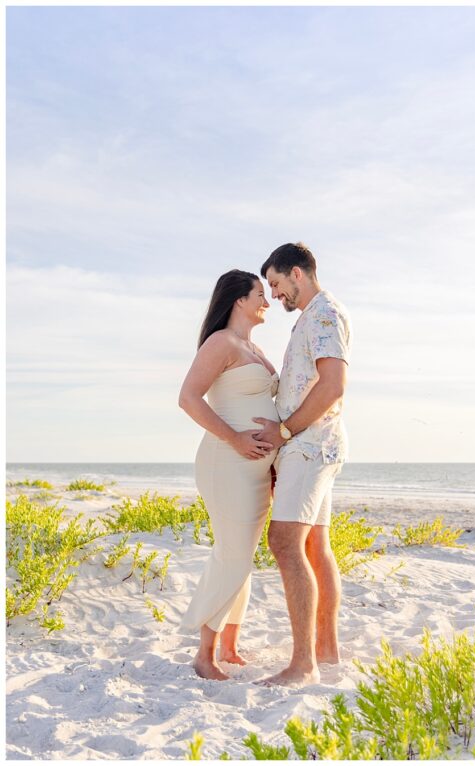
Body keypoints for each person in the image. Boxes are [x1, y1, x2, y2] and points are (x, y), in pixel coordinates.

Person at [250, 242, 351, 687]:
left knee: (284, 541)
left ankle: (303, 663)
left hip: (311, 445)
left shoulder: (324, 313)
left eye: (275, 284)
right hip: (316, 444)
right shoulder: (314, 316)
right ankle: (326, 649)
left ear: (297, 273)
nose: (274, 296)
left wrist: (285, 432)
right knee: (314, 548)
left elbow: (332, 385)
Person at [178, 270, 278, 680]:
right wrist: (236, 439)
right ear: (238, 299)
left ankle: (230, 645)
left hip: (255, 469)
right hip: (226, 462)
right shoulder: (221, 343)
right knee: (232, 554)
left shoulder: (252, 347)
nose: (266, 301)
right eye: (259, 293)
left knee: (243, 556)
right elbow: (187, 398)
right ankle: (205, 654)